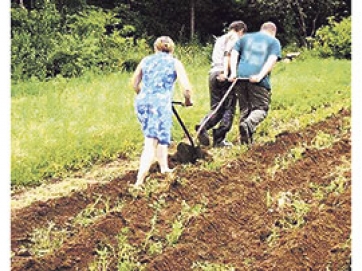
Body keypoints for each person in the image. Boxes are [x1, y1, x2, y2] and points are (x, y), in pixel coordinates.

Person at [131, 36, 193, 187]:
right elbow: (186, 89)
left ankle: (164, 168)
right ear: (172, 49)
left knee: (161, 135)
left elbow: (134, 83)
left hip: (143, 102)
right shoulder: (174, 63)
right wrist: (187, 101)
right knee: (151, 141)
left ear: (155, 48)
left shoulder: (146, 60)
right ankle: (139, 181)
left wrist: (145, 95)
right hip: (159, 105)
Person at [196, 20, 247, 147]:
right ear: (240, 31)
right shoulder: (234, 37)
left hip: (213, 73)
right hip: (224, 74)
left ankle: (203, 126)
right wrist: (229, 73)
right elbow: (228, 55)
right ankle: (219, 139)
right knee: (229, 108)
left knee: (216, 108)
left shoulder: (220, 39)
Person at [229, 21, 281, 145]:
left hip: (240, 78)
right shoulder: (274, 42)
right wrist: (260, 76)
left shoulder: (245, 38)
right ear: (273, 32)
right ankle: (248, 124)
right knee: (261, 108)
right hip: (256, 79)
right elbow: (272, 60)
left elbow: (234, 53)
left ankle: (245, 141)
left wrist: (233, 72)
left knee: (245, 109)